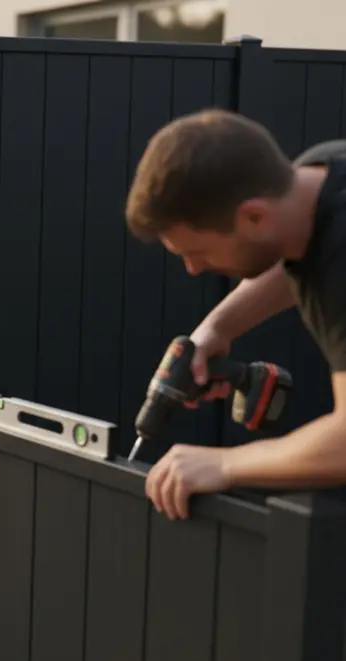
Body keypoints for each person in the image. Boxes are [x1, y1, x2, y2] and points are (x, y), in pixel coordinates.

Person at [124, 108, 346, 519]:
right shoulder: (319, 175)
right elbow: (295, 251)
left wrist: (224, 465)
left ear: (254, 216)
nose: (193, 268)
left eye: (198, 251)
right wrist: (218, 328)